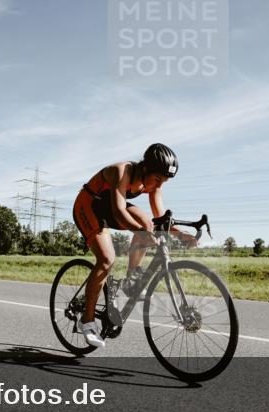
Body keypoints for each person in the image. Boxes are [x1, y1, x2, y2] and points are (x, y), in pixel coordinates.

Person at [71, 143, 197, 348]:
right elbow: (119, 211)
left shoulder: (155, 183)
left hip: (108, 208)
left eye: (164, 182)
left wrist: (183, 235)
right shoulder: (122, 171)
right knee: (106, 259)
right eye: (157, 179)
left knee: (147, 222)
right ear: (145, 167)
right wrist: (143, 233)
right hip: (89, 205)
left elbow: (160, 219)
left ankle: (132, 278)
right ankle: (87, 321)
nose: (158, 185)